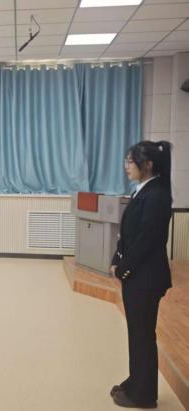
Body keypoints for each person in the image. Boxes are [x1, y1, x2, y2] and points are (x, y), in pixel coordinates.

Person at [109, 141, 173, 409]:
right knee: (137, 334)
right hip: (138, 276)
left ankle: (144, 395)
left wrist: (124, 268)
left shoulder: (156, 195)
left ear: (147, 165)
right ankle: (136, 382)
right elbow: (128, 235)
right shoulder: (144, 190)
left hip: (145, 279)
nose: (126, 166)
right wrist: (117, 259)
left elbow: (147, 240)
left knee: (142, 336)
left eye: (130, 161)